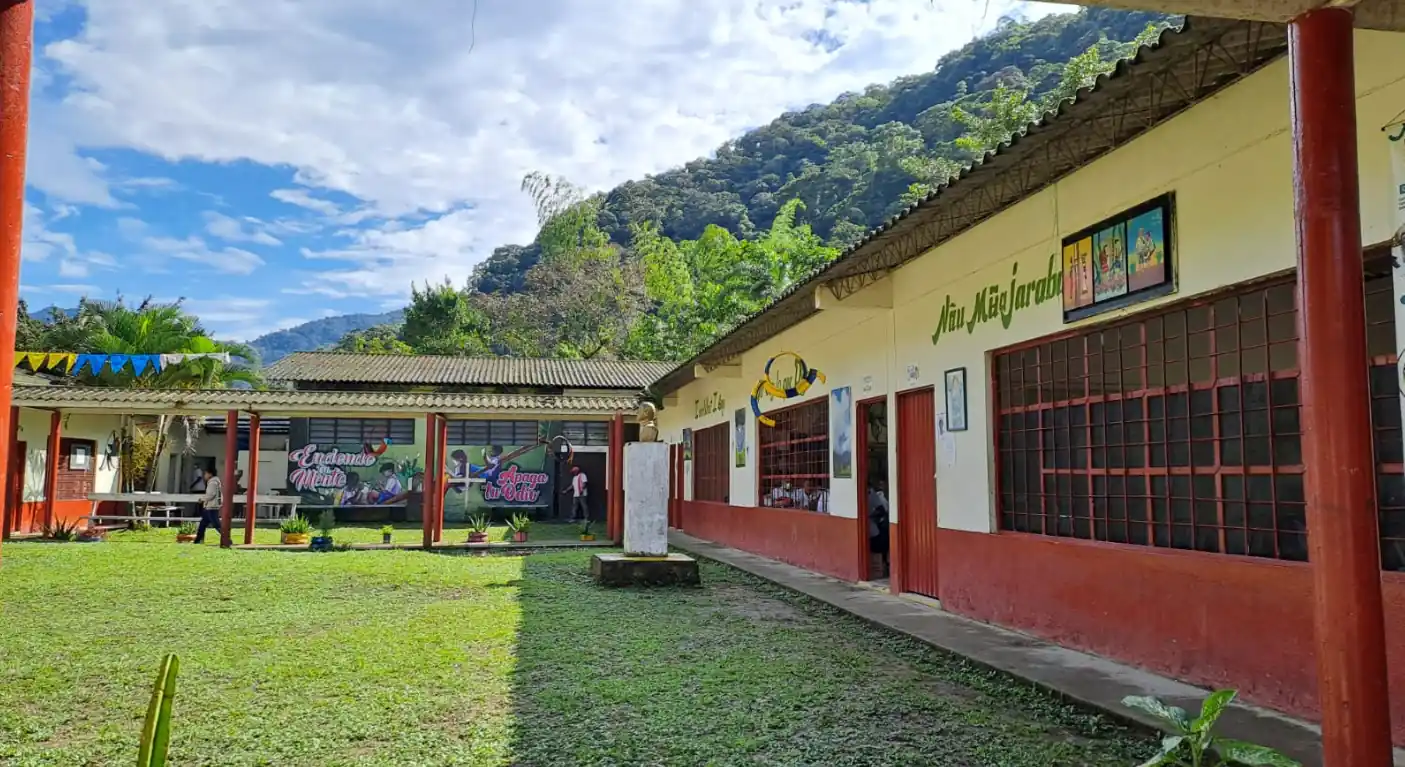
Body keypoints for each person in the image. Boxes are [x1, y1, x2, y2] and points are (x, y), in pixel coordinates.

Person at [193, 466, 223, 544]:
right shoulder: (214, 482)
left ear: (210, 474)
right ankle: (198, 540)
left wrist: (202, 499)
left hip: (211, 507)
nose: (204, 476)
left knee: (216, 525)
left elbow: (211, 494)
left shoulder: (212, 483)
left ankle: (226, 537)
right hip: (209, 507)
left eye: (205, 474)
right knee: (202, 524)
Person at [867, 480, 890, 577]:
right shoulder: (873, 495)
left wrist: (870, 516)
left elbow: (881, 511)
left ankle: (883, 567)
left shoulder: (872, 495)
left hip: (874, 531)